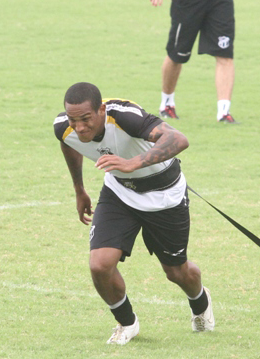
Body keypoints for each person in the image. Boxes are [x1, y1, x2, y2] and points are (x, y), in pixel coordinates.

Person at [54, 82, 214, 345]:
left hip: (165, 197)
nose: (79, 127)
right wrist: (79, 189)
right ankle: (126, 323)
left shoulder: (125, 116)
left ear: (101, 110)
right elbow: (68, 142)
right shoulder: (64, 126)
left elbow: (178, 139)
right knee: (100, 265)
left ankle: (200, 302)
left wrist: (132, 163)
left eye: (86, 119)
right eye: (73, 119)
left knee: (176, 273)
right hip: (120, 194)